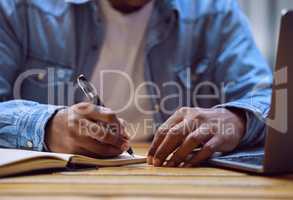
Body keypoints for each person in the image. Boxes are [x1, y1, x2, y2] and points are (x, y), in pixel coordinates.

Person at [0, 0, 272, 167]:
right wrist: (47, 127)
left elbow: (273, 101)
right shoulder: (20, 9)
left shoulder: (214, 10)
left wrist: (235, 119)